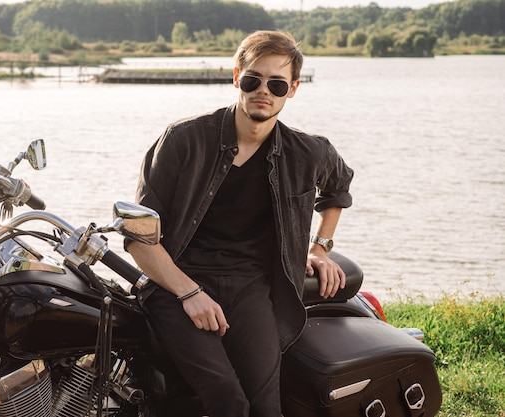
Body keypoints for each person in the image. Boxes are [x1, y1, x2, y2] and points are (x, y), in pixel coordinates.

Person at [126, 30, 354, 417]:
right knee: (226, 400)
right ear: (236, 77)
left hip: (250, 286)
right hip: (175, 283)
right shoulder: (183, 140)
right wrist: (188, 293)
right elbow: (138, 237)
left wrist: (320, 248)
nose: (263, 90)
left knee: (266, 407)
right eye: (253, 79)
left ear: (293, 89)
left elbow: (338, 189)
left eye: (277, 84)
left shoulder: (307, 152)